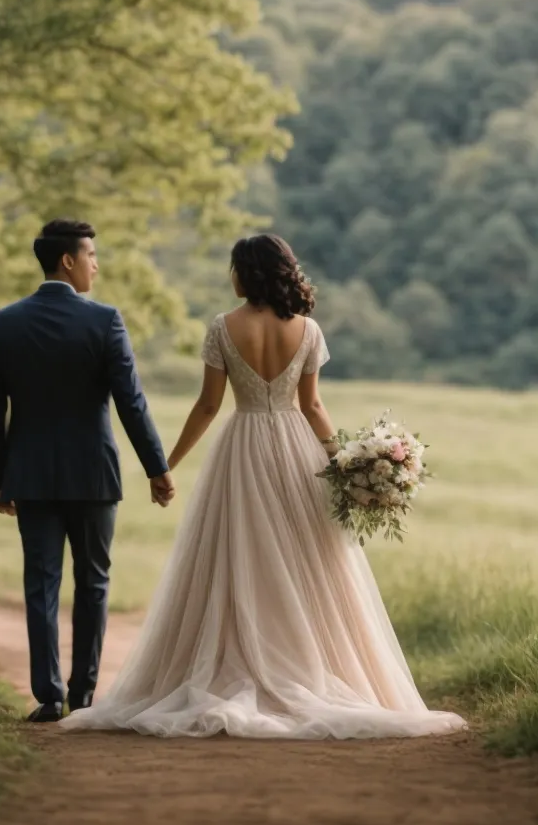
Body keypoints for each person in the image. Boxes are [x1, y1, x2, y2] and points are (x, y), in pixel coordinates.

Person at [62, 234, 465, 739]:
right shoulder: (308, 329)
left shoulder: (223, 328)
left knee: (240, 557)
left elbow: (208, 406)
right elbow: (314, 406)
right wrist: (343, 463)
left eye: (234, 268)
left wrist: (166, 464)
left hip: (243, 446)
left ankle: (246, 656)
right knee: (308, 560)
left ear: (246, 274)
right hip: (297, 448)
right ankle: (303, 661)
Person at [0, 219, 175, 723]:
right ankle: (84, 694)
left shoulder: (2, 324)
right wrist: (157, 466)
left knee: (40, 582)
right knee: (93, 582)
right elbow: (130, 401)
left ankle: (47, 695)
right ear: (67, 260)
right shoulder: (104, 320)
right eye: (90, 254)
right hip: (93, 474)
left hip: (30, 474)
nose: (95, 264)